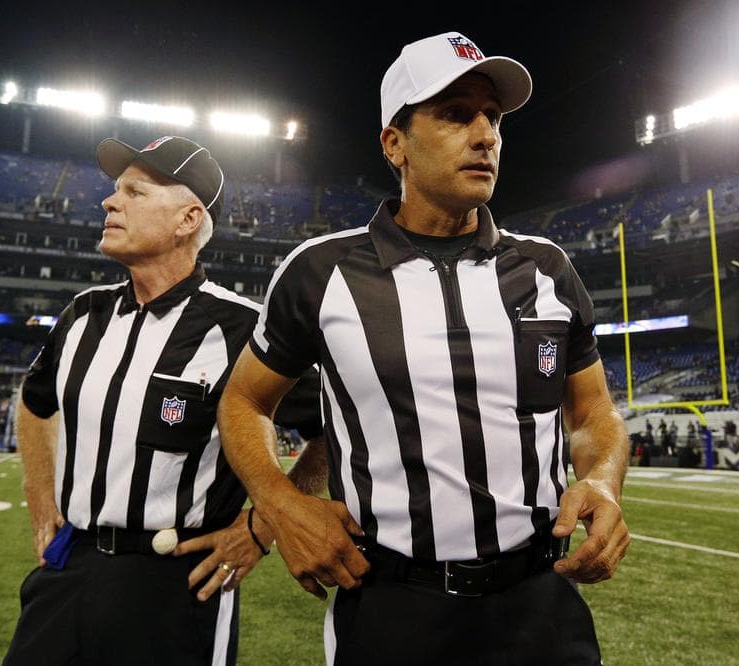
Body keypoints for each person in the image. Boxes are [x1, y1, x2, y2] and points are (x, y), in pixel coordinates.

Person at [217, 31, 630, 665]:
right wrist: (281, 503)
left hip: (541, 606)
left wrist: (601, 480)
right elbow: (245, 400)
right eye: (455, 114)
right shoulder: (321, 272)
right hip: (392, 607)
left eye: (491, 117)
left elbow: (592, 414)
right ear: (394, 143)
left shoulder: (547, 269)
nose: (486, 134)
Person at [3, 135, 326, 665]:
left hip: (177, 583)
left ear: (187, 219)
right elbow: (35, 403)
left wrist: (263, 526)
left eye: (135, 191)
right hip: (68, 567)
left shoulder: (241, 327)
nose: (110, 202)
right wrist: (42, 502)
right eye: (114, 191)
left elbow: (336, 427)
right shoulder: (83, 314)